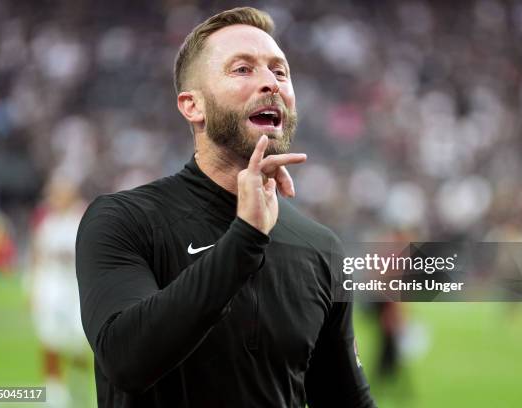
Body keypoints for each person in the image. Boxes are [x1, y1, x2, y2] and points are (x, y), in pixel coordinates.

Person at [76, 7, 375, 407]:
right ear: (191, 106)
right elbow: (125, 360)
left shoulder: (320, 248)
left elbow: (345, 400)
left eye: (280, 72)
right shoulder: (124, 220)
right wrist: (245, 238)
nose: (270, 82)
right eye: (243, 70)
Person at [29, 173, 90, 407]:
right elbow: (37, 255)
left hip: (76, 290)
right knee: (49, 340)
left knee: (80, 341)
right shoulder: (45, 219)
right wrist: (33, 289)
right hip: (51, 288)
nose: (58, 198)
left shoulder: (83, 217)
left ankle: (78, 384)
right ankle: (54, 393)